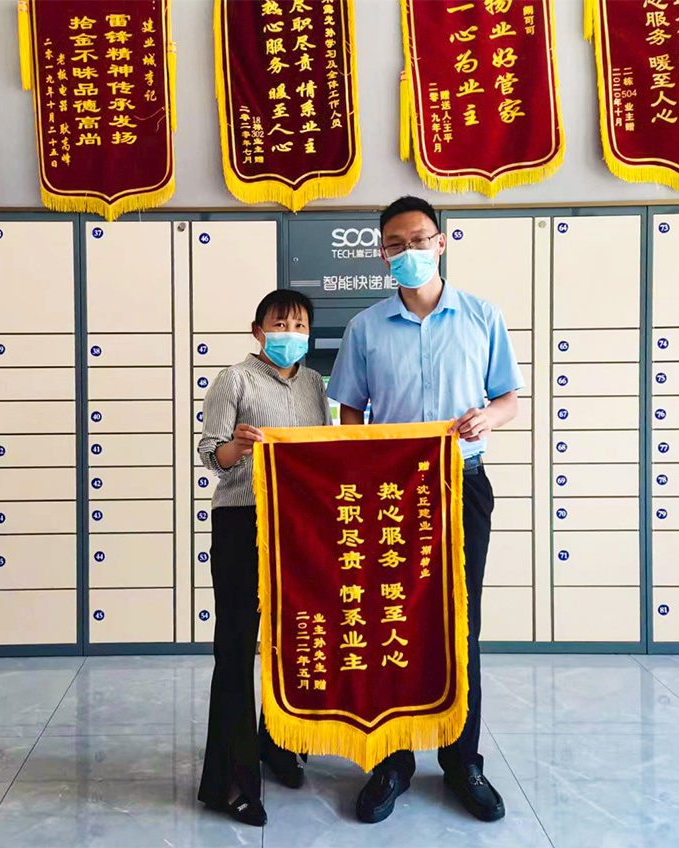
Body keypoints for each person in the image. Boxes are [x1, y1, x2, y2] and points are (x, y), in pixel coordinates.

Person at [326, 196, 523, 825]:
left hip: (462, 484)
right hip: (392, 494)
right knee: (394, 621)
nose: (407, 252)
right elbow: (350, 410)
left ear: (440, 243)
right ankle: (392, 762)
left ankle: (463, 761)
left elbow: (508, 398)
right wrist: (362, 464)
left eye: (418, 239)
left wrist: (489, 417)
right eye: (395, 244)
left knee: (461, 624)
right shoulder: (365, 328)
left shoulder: (482, 316)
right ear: (382, 255)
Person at [197, 289, 331, 827]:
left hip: (299, 526)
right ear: (258, 331)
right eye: (280, 324)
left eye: (299, 325)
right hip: (243, 521)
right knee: (235, 648)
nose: (289, 333)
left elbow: (326, 450)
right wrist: (238, 447)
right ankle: (230, 781)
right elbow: (211, 453)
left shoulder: (315, 384)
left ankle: (279, 744)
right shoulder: (234, 379)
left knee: (294, 643)